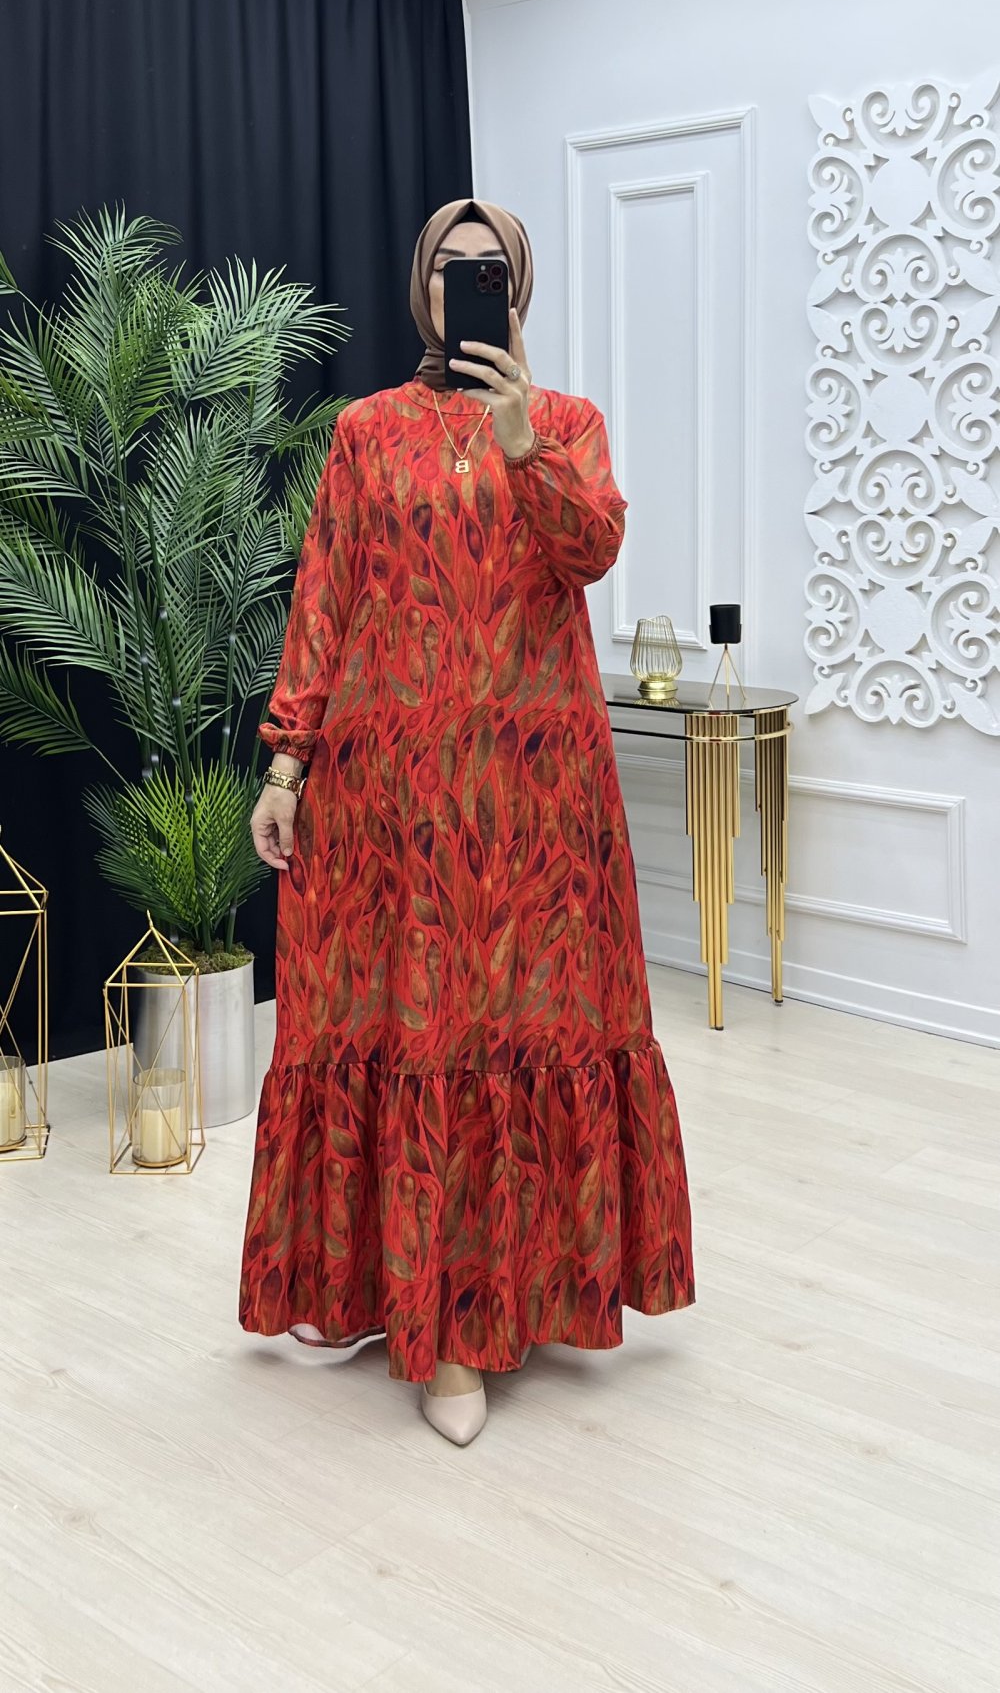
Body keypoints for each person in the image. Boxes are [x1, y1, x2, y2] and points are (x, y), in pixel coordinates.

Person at [239, 198, 695, 1446]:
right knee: (410, 1028)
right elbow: (326, 597)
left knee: (523, 1028)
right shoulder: (365, 432)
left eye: (491, 268)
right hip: (389, 799)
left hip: (537, 797)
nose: (469, 283)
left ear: (518, 289)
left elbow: (591, 553)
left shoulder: (566, 423)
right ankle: (420, 1317)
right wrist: (285, 765)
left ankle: (507, 1302)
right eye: (451, 267)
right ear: (422, 286)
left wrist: (522, 440)